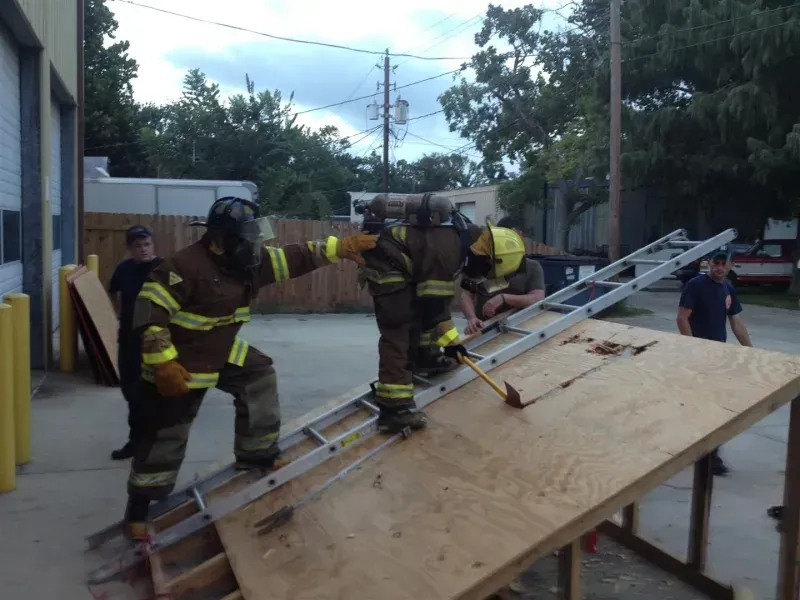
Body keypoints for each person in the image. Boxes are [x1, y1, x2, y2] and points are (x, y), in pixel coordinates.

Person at [122, 197, 376, 538]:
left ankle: (256, 454)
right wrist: (163, 362)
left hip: (220, 348)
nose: (255, 245)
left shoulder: (247, 261)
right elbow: (147, 313)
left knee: (258, 374)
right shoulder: (183, 266)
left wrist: (340, 247)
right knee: (165, 435)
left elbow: (295, 256)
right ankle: (138, 509)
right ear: (220, 239)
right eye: (247, 238)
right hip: (180, 359)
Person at [358, 203, 527, 434]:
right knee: (401, 329)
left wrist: (447, 342)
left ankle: (425, 358)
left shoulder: (462, 239)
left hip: (402, 263)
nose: (480, 277)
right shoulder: (450, 250)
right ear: (487, 257)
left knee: (426, 309)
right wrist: (451, 343)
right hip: (387, 264)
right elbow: (434, 306)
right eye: (486, 272)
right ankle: (394, 411)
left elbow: (436, 302)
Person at [677, 249, 753, 476]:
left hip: (719, 356)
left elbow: (736, 321)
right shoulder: (696, 285)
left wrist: (749, 351)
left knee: (717, 406)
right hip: (699, 355)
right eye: (715, 263)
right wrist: (692, 348)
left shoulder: (728, 287)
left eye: (723, 264)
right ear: (709, 263)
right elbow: (682, 318)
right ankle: (705, 454)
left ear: (730, 266)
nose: (719, 268)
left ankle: (711, 454)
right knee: (701, 405)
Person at [107, 225, 161, 460]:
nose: (143, 250)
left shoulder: (162, 268)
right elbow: (115, 294)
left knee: (154, 392)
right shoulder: (124, 269)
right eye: (138, 246)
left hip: (155, 339)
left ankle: (155, 442)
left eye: (147, 244)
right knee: (131, 390)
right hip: (129, 338)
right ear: (130, 248)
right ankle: (136, 441)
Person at [459, 216, 546, 335]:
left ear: (520, 235)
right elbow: (466, 294)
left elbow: (537, 298)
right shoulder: (483, 262)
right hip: (483, 329)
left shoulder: (532, 266)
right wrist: (471, 318)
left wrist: (504, 298)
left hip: (516, 331)